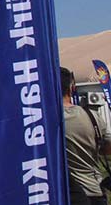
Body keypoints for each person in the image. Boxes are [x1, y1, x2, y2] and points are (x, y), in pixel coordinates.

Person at [62, 67, 111, 205]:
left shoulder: (45, 122)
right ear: (71, 88)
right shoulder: (92, 116)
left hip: (65, 194)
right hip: (94, 191)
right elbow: (108, 147)